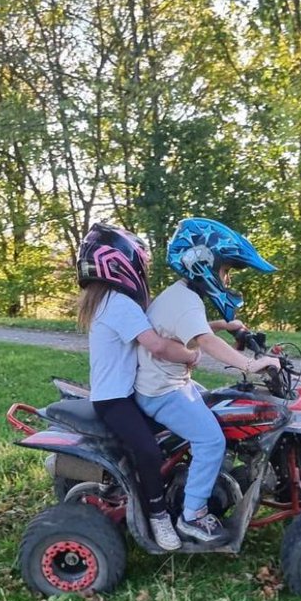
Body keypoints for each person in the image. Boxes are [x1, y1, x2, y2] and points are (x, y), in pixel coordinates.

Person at [135, 218, 282, 544]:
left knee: (225, 408)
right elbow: (202, 340)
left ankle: (217, 474)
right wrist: (252, 364)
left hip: (169, 384)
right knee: (211, 440)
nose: (226, 279)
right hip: (162, 392)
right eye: (225, 270)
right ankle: (193, 515)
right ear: (203, 263)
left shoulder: (182, 296)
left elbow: (191, 329)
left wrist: (226, 326)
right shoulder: (185, 302)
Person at [76, 222, 199, 552]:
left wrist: (209, 329)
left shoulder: (110, 301)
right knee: (148, 450)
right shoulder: (118, 304)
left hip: (125, 394)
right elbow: (157, 346)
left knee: (182, 422)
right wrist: (191, 354)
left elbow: (162, 331)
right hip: (115, 401)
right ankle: (159, 516)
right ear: (123, 264)